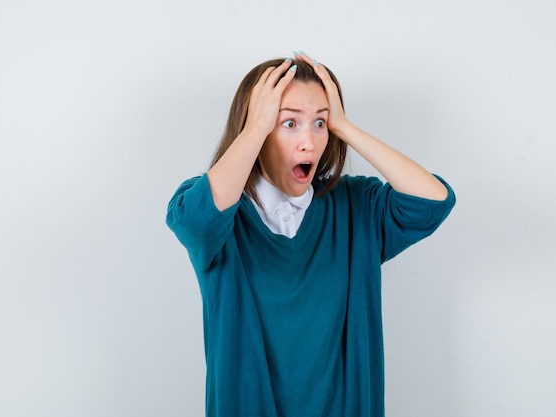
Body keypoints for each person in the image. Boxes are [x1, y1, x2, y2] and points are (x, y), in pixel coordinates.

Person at [166, 51, 455, 417]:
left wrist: (345, 127)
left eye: (320, 123)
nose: (310, 142)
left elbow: (433, 202)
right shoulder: (216, 208)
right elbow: (198, 223)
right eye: (288, 123)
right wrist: (255, 127)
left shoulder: (355, 207)